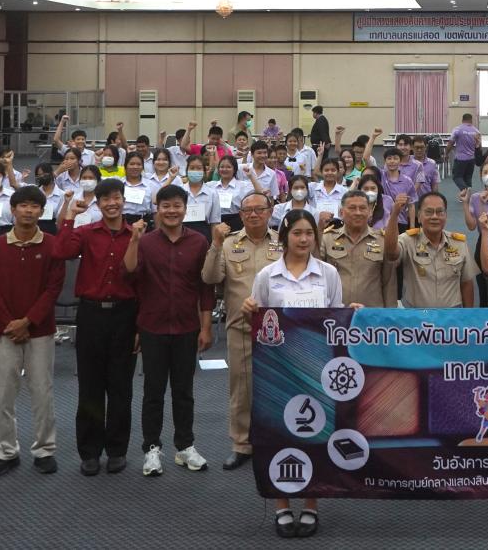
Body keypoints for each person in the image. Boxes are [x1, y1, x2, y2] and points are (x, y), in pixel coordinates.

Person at [244, 209, 352, 537]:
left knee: (315, 436)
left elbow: (335, 318)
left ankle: (310, 504)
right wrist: (249, 310)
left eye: (309, 234)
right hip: (277, 369)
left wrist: (353, 314)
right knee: (278, 436)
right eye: (297, 233)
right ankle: (281, 506)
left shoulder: (328, 273)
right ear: (285, 237)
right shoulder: (267, 276)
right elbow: (259, 322)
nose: (304, 239)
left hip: (316, 369)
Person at [124, 185, 215, 477]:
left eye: (177, 205)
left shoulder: (199, 242)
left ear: (185, 209)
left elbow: (205, 288)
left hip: (187, 326)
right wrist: (134, 240)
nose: (172, 211)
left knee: (184, 391)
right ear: (157, 209)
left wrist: (206, 326)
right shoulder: (146, 242)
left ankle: (185, 446)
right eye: (166, 206)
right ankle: (152, 448)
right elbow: (130, 275)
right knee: (153, 391)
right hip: (152, 326)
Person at [0, 186, 64, 478]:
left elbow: (53, 288)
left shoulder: (52, 245)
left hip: (40, 331)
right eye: (23, 205)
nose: (29, 211)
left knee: (42, 392)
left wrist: (27, 321)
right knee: (4, 393)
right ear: (13, 209)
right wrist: (10, 324)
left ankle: (44, 450)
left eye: (34, 206)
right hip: (6, 331)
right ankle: (6, 451)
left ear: (42, 211)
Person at [56, 179, 138, 475]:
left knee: (121, 386)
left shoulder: (136, 235)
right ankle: (89, 452)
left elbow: (143, 281)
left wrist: (139, 326)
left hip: (125, 315)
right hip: (91, 314)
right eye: (106, 199)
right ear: (98, 204)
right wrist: (70, 215)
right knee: (90, 386)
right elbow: (61, 251)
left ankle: (117, 450)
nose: (112, 203)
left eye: (116, 198)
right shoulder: (86, 232)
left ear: (123, 200)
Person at [201, 191, 283, 470]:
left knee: (279, 386)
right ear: (240, 214)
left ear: (270, 212)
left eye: (259, 209)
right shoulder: (228, 243)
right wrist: (215, 244)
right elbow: (210, 278)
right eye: (247, 210)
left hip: (281, 328)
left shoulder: (284, 242)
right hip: (241, 326)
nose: (254, 214)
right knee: (242, 389)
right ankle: (242, 444)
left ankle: (277, 440)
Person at [387, 192, 477, 308]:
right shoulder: (408, 241)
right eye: (429, 212)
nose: (434, 216)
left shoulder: (459, 243)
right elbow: (391, 253)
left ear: (446, 216)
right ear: (419, 216)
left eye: (440, 212)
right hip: (417, 315)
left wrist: (467, 315)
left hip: (451, 315)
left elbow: (466, 283)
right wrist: (394, 215)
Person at [320, 188, 395, 307]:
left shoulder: (382, 240)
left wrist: (390, 313)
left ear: (370, 212)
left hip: (371, 313)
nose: (358, 213)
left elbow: (389, 282)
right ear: (341, 212)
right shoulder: (327, 239)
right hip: (336, 312)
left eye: (362, 208)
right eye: (352, 208)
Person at [449, 113, 481, 188]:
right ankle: (468, 193)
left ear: (462, 120)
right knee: (468, 178)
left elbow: (450, 143)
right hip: (471, 159)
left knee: (457, 177)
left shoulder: (457, 129)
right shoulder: (477, 131)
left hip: (460, 159)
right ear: (471, 120)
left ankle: (465, 190)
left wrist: (446, 153)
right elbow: (479, 146)